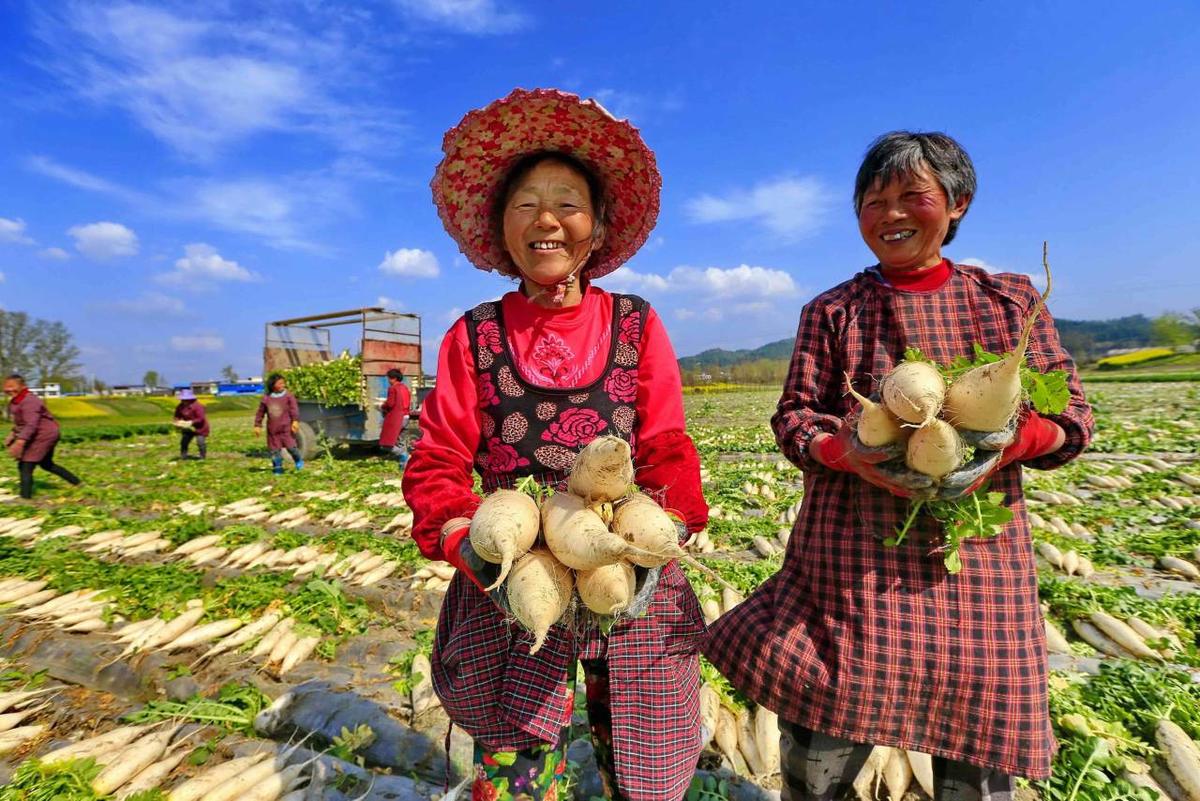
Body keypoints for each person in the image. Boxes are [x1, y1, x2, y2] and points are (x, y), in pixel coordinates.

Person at [703, 131, 1095, 800]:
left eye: (912, 196)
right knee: (819, 754)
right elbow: (794, 419)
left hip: (976, 573)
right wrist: (848, 452)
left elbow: (1075, 419)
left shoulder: (1009, 301)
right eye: (872, 201)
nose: (890, 214)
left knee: (976, 759)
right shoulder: (831, 311)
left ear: (957, 203)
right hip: (848, 571)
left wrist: (1012, 440)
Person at [401, 89, 708, 801]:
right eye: (525, 205)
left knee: (645, 762)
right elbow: (439, 456)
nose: (547, 220)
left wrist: (665, 535)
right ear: (501, 229)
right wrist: (464, 541)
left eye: (567, 202)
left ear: (596, 228)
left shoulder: (636, 324)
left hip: (624, 566)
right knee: (515, 765)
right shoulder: (473, 335)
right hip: (511, 579)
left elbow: (664, 443)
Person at [3, 374, 81, 499]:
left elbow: (31, 424)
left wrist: (20, 442)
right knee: (46, 464)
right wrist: (12, 435)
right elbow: (21, 423)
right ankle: (78, 483)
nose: (8, 389)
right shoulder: (15, 401)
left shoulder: (30, 401)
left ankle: (25, 498)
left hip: (44, 435)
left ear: (23, 386)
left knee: (25, 465)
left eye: (12, 386)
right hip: (40, 433)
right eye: (6, 387)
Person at [254, 373, 303, 474]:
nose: (282, 385)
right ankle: (278, 468)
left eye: (283, 383)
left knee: (291, 448)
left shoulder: (288, 396)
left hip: (286, 428)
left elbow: (294, 409)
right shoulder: (266, 399)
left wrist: (295, 421)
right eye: (280, 383)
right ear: (273, 385)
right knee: (275, 451)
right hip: (273, 430)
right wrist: (257, 425)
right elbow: (260, 412)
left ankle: (298, 460)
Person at [378, 368, 411, 468]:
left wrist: (382, 406)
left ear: (394, 378)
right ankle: (404, 465)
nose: (388, 380)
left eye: (389, 378)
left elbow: (390, 403)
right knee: (400, 441)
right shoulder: (405, 388)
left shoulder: (393, 388)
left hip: (397, 418)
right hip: (406, 417)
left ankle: (404, 455)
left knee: (386, 444)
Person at [173, 388, 210, 460]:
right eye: (183, 400)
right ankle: (183, 456)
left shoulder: (198, 406)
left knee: (200, 442)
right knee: (184, 442)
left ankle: (202, 457)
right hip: (188, 428)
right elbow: (177, 416)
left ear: (190, 399)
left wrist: (191, 422)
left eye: (185, 400)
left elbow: (201, 418)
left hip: (200, 427)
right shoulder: (180, 406)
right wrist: (177, 422)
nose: (184, 401)